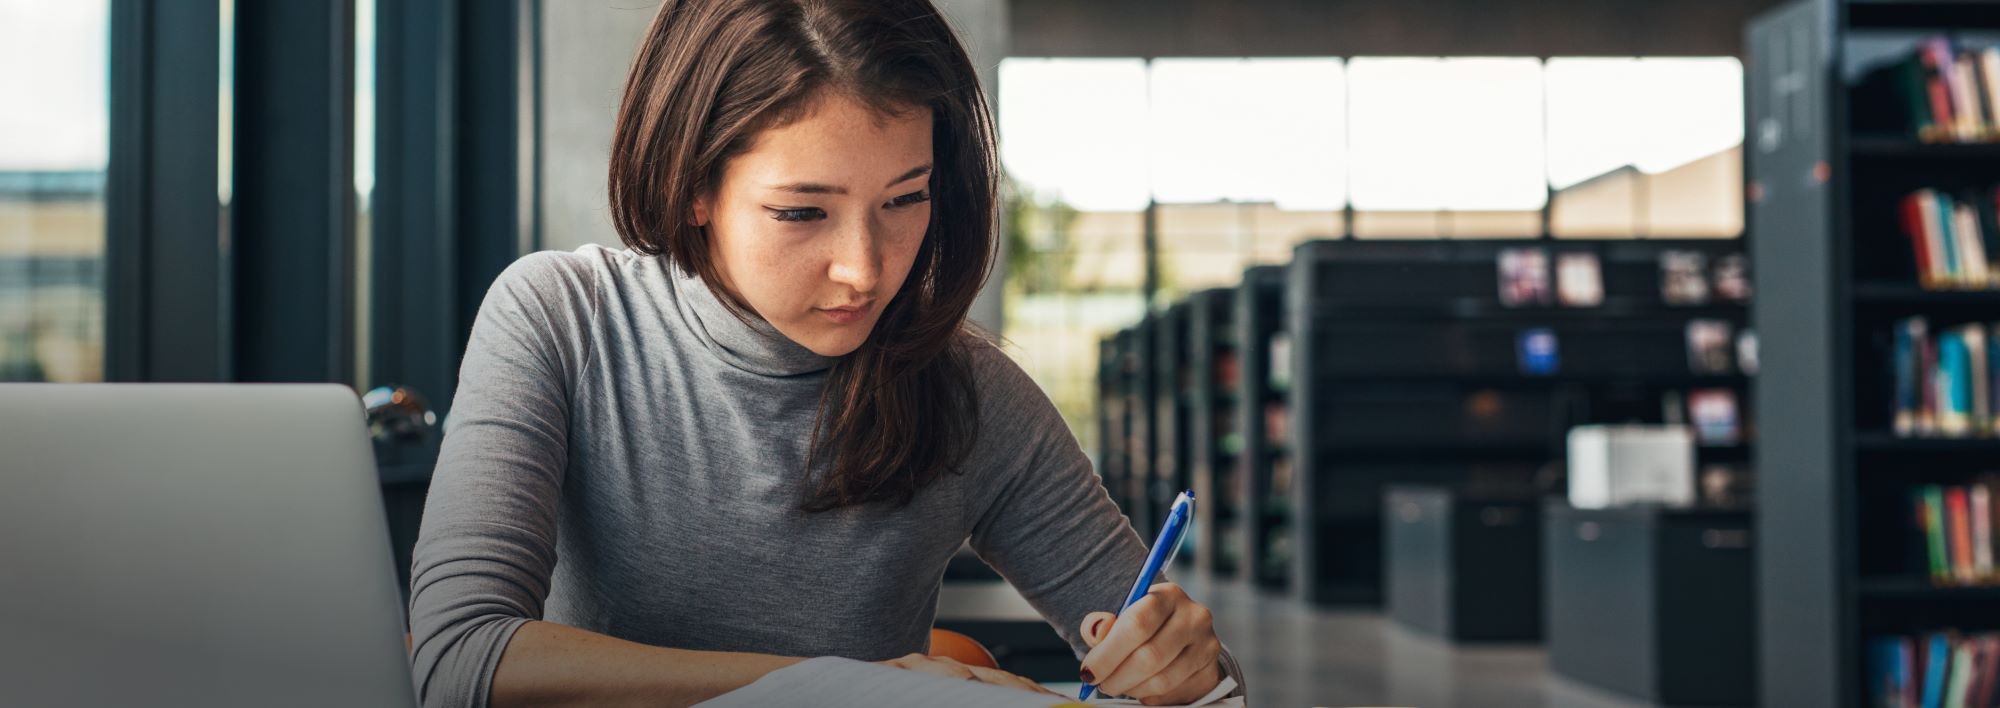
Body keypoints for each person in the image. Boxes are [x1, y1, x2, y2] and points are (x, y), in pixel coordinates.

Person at [405, 0, 1245, 705]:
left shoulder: (973, 395)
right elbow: (461, 659)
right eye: (803, 213)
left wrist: (1189, 669)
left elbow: (1213, 688)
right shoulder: (563, 317)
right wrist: (851, 689)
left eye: (904, 199)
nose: (866, 268)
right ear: (694, 185)